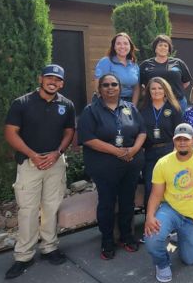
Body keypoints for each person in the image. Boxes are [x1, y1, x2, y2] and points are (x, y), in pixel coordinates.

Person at [4, 65, 76, 279]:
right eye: (49, 78)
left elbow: (69, 131)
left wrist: (57, 152)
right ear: (41, 79)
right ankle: (24, 256)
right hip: (29, 163)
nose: (53, 82)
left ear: (62, 83)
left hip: (55, 162)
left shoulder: (67, 105)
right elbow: (10, 133)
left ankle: (49, 248)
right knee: (28, 209)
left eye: (57, 79)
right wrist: (33, 155)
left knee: (51, 207)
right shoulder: (22, 103)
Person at [78, 73, 147, 259]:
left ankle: (127, 236)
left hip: (130, 165)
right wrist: (116, 151)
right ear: (99, 89)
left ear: (119, 87)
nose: (110, 88)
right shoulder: (91, 111)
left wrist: (133, 150)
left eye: (114, 84)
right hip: (104, 167)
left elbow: (142, 131)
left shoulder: (130, 108)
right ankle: (107, 240)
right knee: (107, 203)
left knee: (127, 201)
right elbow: (88, 139)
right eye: (106, 85)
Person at [144, 123, 193, 282]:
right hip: (170, 209)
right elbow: (156, 193)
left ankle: (180, 236)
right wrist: (149, 217)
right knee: (151, 239)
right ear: (174, 141)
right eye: (178, 139)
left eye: (186, 139)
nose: (182, 142)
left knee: (189, 260)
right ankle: (162, 263)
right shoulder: (163, 163)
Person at [139, 77, 184, 206]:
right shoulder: (142, 109)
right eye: (153, 88)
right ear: (148, 91)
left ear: (165, 90)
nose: (156, 91)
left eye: (160, 88)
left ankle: (171, 221)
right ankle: (150, 220)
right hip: (150, 153)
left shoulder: (174, 108)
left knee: (172, 187)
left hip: (169, 151)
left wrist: (177, 154)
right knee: (150, 187)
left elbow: (179, 132)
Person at [139, 35, 193, 111]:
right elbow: (139, 84)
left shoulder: (178, 63)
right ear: (155, 48)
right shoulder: (145, 64)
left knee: (179, 123)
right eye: (160, 45)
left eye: (166, 46)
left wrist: (172, 92)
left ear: (169, 49)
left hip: (177, 102)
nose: (163, 47)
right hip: (153, 103)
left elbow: (186, 82)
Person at [94, 33, 140, 104]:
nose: (122, 46)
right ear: (114, 47)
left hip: (129, 102)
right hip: (108, 102)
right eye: (118, 44)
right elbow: (98, 86)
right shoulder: (105, 62)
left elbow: (136, 88)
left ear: (130, 46)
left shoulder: (134, 65)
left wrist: (133, 107)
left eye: (125, 43)